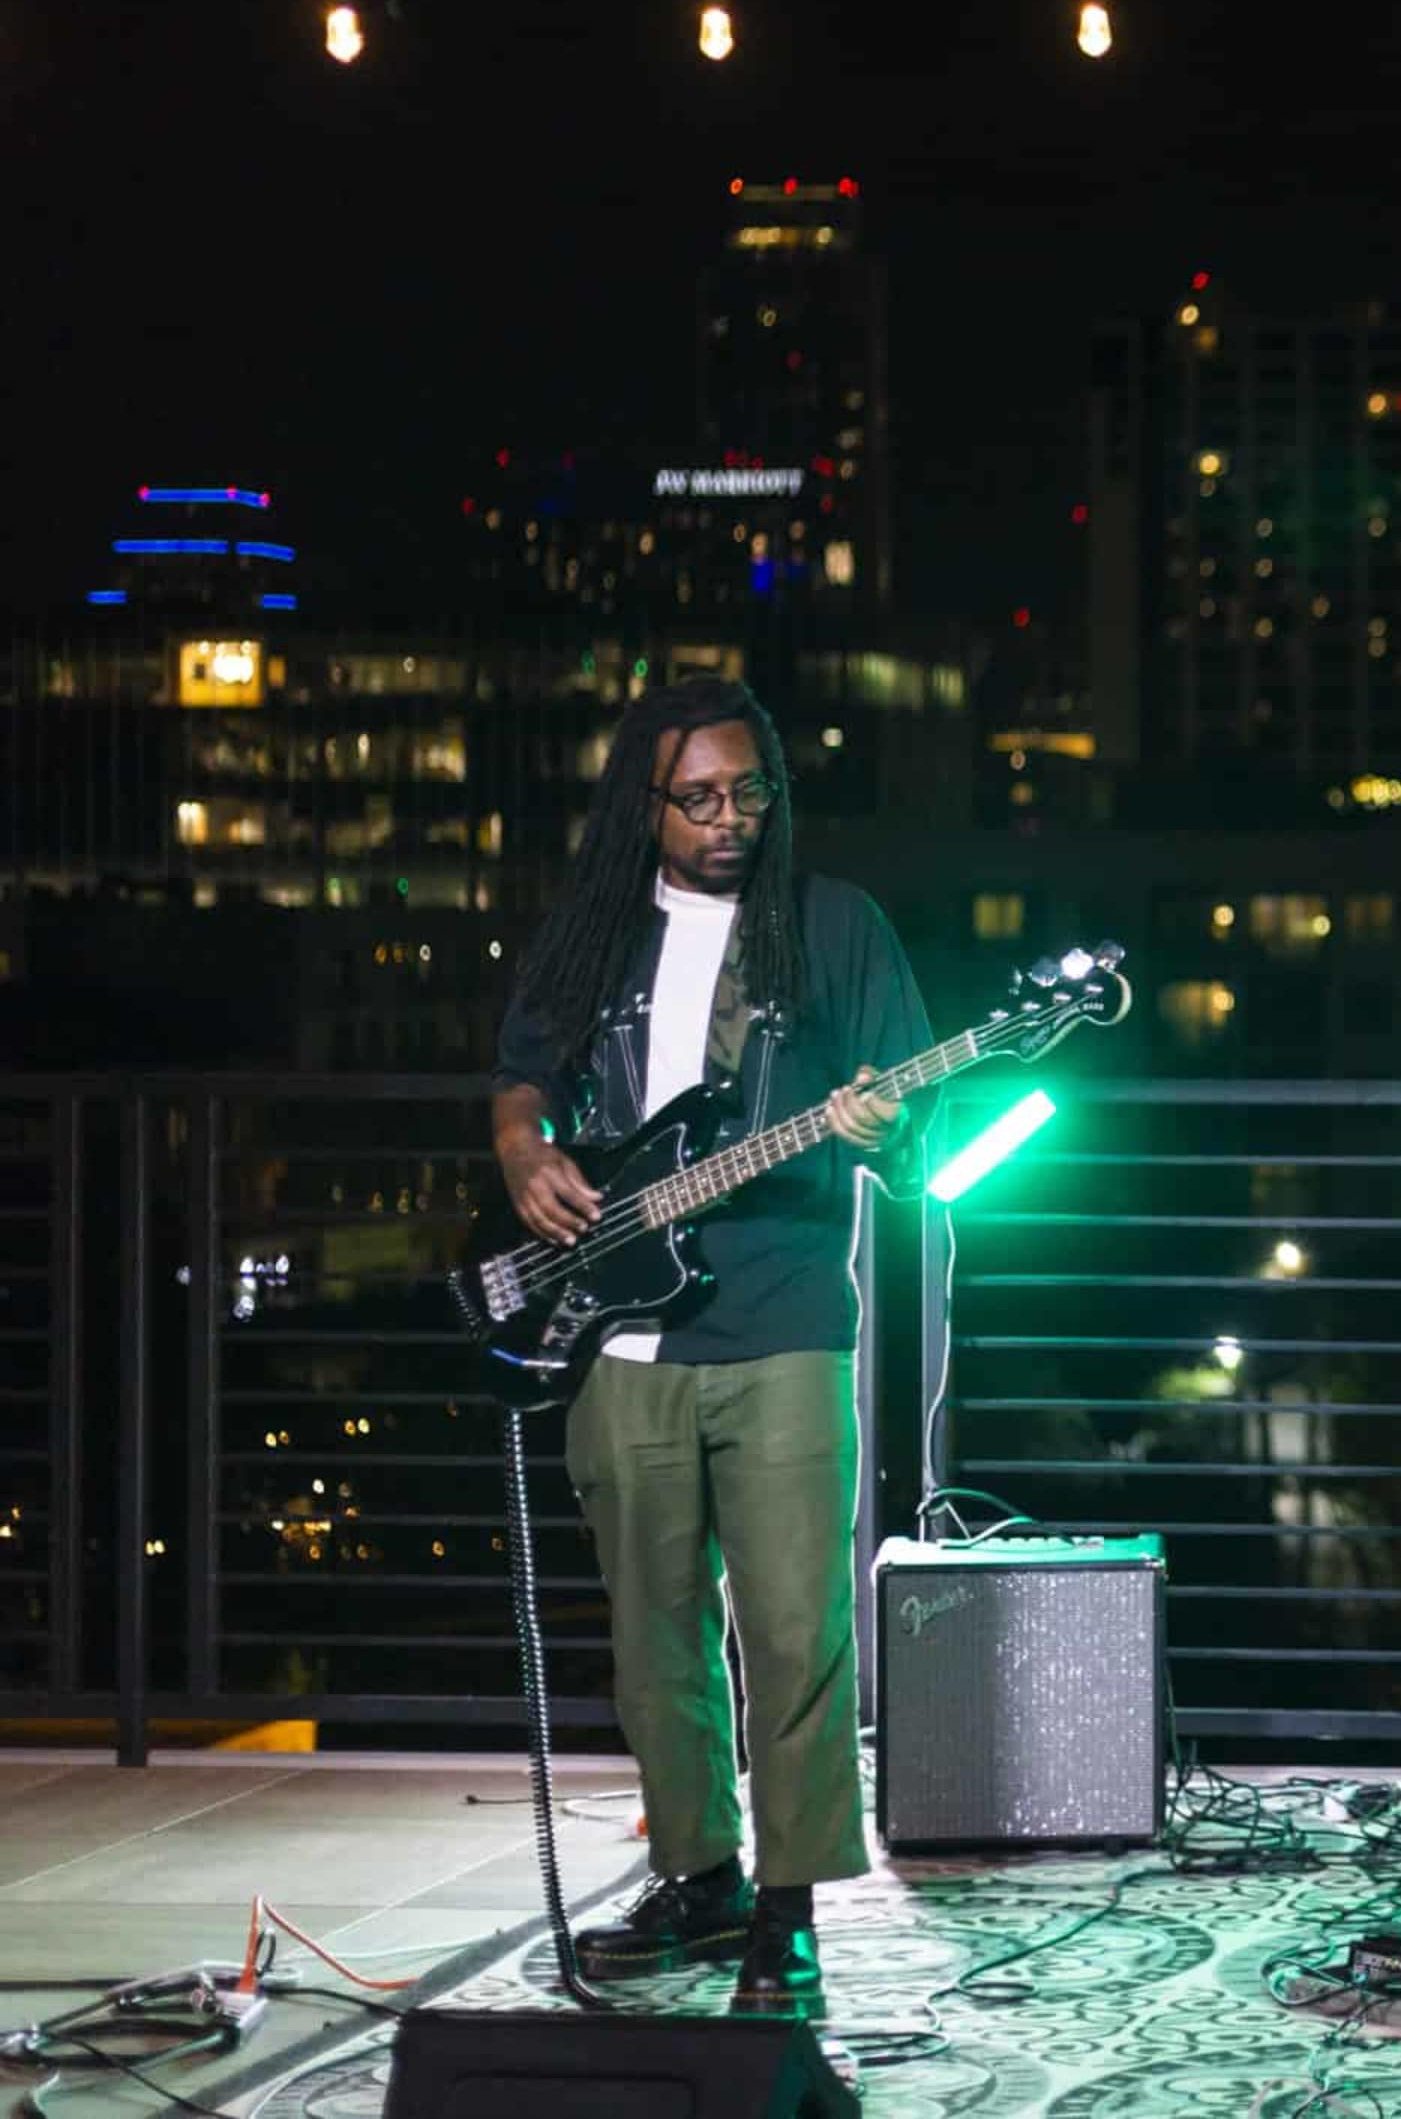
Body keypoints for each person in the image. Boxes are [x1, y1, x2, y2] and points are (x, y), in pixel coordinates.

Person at [487, 677, 932, 2023]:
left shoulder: (834, 927)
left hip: (787, 1319)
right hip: (619, 1336)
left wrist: (879, 1126)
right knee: (652, 1635)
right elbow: (524, 1067)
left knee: (797, 1634)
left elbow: (907, 1108)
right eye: (701, 796)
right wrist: (523, 1147)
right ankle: (701, 1875)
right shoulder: (596, 932)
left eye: (751, 791)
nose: (730, 816)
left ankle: (789, 1914)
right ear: (650, 803)